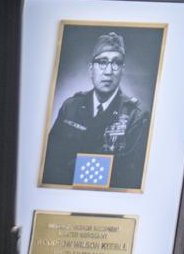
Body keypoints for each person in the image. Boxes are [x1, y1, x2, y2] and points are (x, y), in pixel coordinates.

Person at [42, 32, 150, 189]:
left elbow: (130, 177)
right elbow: (50, 161)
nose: (108, 71)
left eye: (116, 63)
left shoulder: (136, 116)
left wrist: (71, 166)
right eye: (102, 62)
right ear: (91, 69)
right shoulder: (70, 107)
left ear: (122, 70)